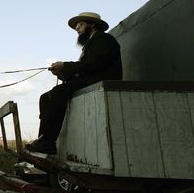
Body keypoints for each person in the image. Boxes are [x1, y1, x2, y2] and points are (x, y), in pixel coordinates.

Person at [25, 12, 122, 155]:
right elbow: (84, 69)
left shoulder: (103, 39)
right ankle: (43, 139)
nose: (77, 29)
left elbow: (93, 65)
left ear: (92, 24)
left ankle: (48, 143)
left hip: (102, 79)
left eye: (80, 24)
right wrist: (62, 72)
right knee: (45, 98)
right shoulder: (90, 43)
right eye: (77, 26)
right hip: (91, 78)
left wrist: (65, 66)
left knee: (58, 92)